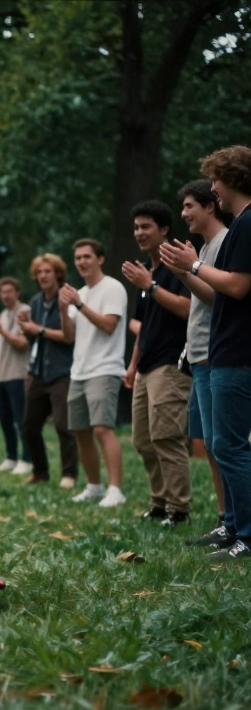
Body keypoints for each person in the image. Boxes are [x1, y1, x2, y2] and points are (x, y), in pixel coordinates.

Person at [161, 146, 251, 562]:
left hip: (235, 354)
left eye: (214, 179)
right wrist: (187, 267)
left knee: (231, 448)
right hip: (221, 353)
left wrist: (192, 267)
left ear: (230, 179)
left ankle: (246, 536)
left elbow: (234, 287)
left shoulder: (245, 226)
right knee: (221, 445)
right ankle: (234, 525)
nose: (212, 186)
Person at [161, 181, 228, 532]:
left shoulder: (223, 243)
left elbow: (219, 299)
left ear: (210, 206)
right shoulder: (205, 247)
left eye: (189, 206)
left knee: (224, 446)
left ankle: (234, 521)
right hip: (198, 356)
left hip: (215, 356)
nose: (184, 213)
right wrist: (184, 270)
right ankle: (225, 518)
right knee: (213, 447)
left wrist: (186, 272)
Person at [122, 201, 192, 526]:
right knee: (142, 439)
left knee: (166, 437)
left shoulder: (175, 268)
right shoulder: (146, 275)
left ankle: (179, 509)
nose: (139, 232)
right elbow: (144, 328)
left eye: (146, 226)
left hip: (170, 363)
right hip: (146, 366)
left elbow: (188, 308)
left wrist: (150, 286)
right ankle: (159, 502)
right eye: (136, 227)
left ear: (164, 229)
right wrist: (133, 365)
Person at [60, 239, 128, 507]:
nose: (81, 262)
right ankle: (94, 486)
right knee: (80, 431)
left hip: (105, 368)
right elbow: (68, 336)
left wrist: (77, 305)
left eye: (87, 256)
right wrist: (63, 310)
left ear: (100, 259)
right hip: (79, 371)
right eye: (77, 258)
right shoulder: (81, 293)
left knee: (102, 428)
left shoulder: (113, 288)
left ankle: (115, 489)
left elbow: (109, 326)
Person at [17, 254, 78, 488]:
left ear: (58, 274)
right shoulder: (35, 301)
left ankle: (69, 475)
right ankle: (40, 472)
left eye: (47, 271)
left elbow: (68, 337)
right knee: (30, 424)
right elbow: (35, 339)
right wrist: (25, 328)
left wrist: (37, 329)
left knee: (64, 425)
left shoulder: (66, 297)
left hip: (62, 370)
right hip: (38, 371)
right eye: (39, 272)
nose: (42, 275)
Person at [0, 277, 33, 476]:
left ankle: (27, 459)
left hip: (19, 373)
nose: (5, 295)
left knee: (21, 419)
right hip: (2, 374)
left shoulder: (25, 312)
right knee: (5, 419)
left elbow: (22, 343)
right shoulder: (3, 314)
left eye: (9, 291)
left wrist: (0, 329)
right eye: (2, 292)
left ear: (17, 292)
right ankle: (11, 457)